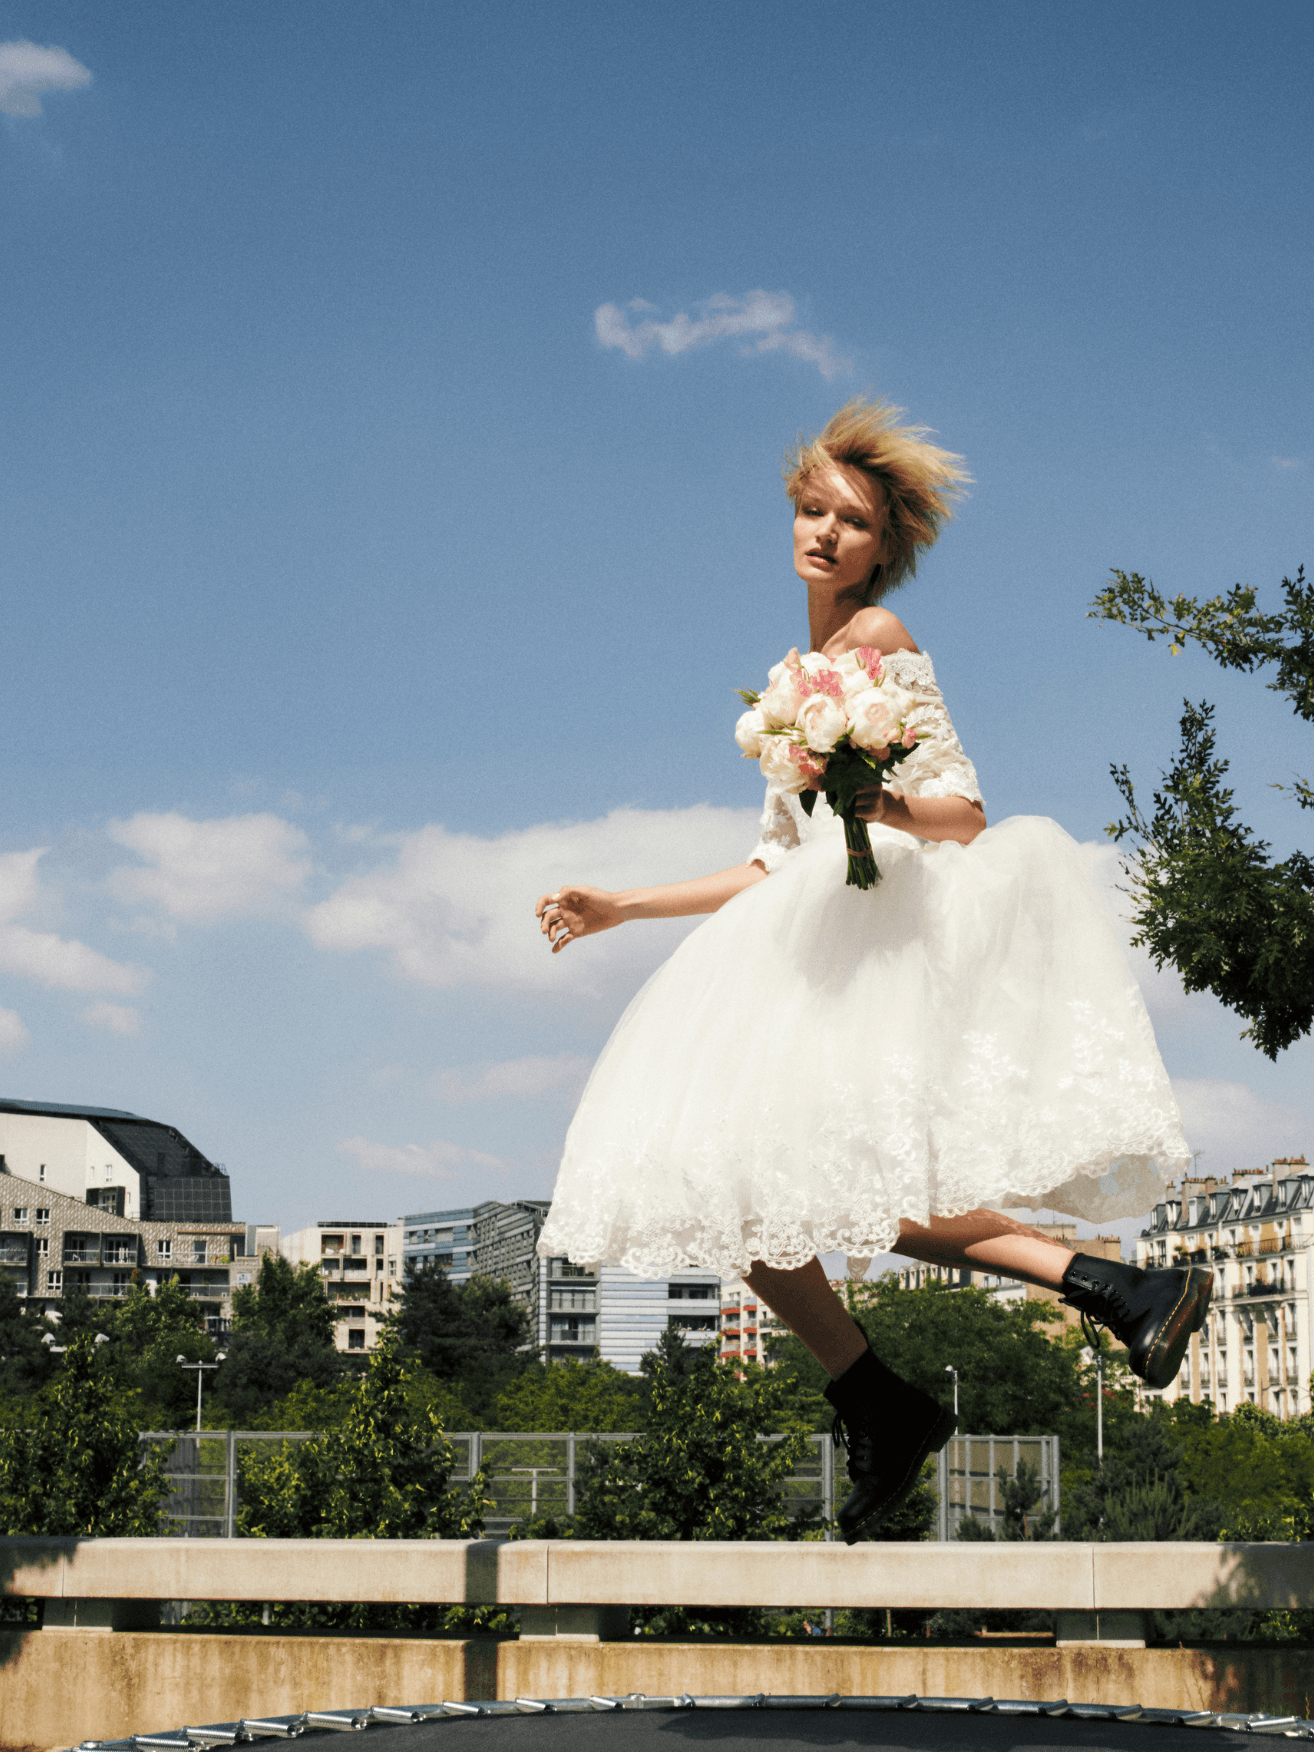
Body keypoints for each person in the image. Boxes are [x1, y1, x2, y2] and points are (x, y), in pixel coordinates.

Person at [533, 400, 1208, 1544]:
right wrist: (621, 906)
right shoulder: (793, 677)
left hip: (875, 945)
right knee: (748, 1187)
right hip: (803, 936)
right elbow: (772, 862)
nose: (825, 533)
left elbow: (965, 813)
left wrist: (877, 801)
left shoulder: (880, 640)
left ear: (884, 545)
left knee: (809, 1181)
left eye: (850, 521)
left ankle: (1052, 1317)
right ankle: (918, 1380)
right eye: (812, 510)